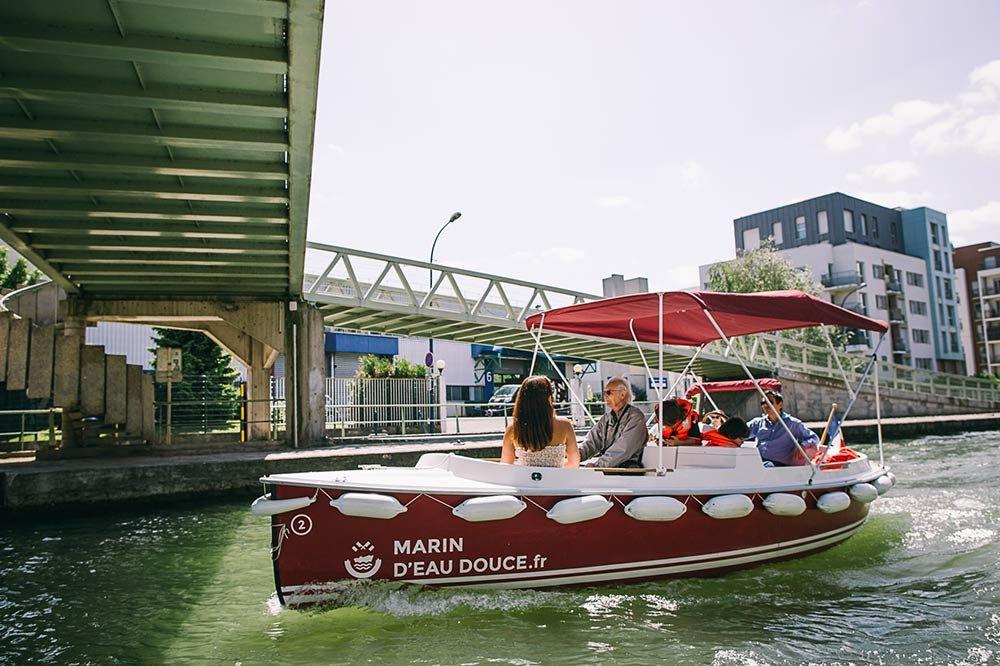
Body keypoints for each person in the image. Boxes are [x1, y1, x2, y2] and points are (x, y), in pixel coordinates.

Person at [500, 376, 579, 468]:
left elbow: (506, 465)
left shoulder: (512, 429)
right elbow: (574, 463)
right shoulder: (565, 425)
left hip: (524, 481)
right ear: (548, 398)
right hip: (556, 480)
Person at [578, 377, 647, 468]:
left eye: (609, 392)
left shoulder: (636, 417)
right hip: (610, 471)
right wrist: (574, 455)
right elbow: (591, 442)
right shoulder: (606, 418)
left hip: (629, 472)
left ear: (622, 394)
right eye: (604, 393)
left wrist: (598, 466)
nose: (605, 396)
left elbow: (622, 449)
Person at [747, 390, 820, 466]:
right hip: (759, 461)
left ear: (780, 405)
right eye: (763, 403)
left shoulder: (793, 423)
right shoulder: (757, 423)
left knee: (766, 466)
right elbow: (742, 432)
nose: (765, 405)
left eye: (770, 402)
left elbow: (814, 438)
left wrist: (803, 446)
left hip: (779, 465)